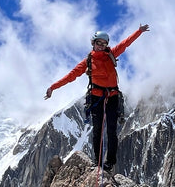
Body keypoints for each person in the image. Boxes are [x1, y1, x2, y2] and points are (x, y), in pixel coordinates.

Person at [45, 24, 149, 171]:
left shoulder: (111, 54)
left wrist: (139, 32)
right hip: (96, 98)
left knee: (112, 130)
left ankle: (110, 162)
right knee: (98, 130)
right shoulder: (87, 62)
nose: (101, 45)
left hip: (112, 97)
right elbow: (71, 76)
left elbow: (125, 43)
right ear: (93, 43)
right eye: (98, 42)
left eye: (104, 43)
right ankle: (98, 162)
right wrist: (53, 87)